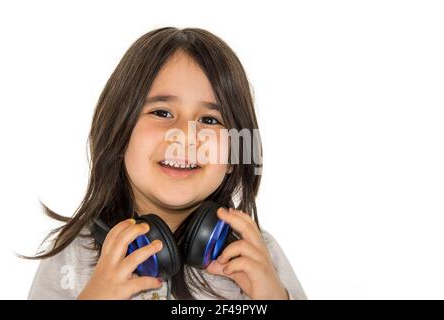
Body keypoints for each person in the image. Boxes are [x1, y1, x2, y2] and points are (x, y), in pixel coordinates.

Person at [26, 27, 307, 300]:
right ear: (119, 133)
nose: (185, 136)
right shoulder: (74, 255)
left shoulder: (257, 255)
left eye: (209, 120)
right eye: (162, 112)